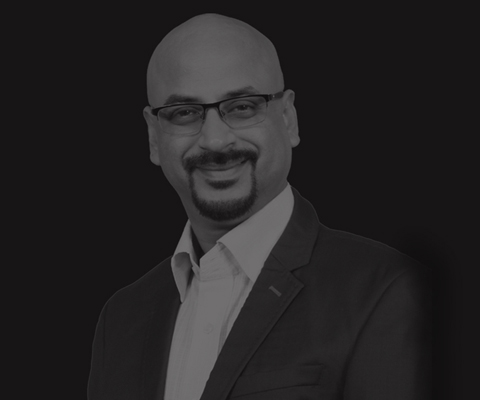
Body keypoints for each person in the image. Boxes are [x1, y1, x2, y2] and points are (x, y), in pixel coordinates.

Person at [88, 13, 431, 400]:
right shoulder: (122, 319)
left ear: (288, 118)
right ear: (154, 136)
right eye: (184, 112)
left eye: (242, 107)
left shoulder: (390, 291)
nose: (215, 141)